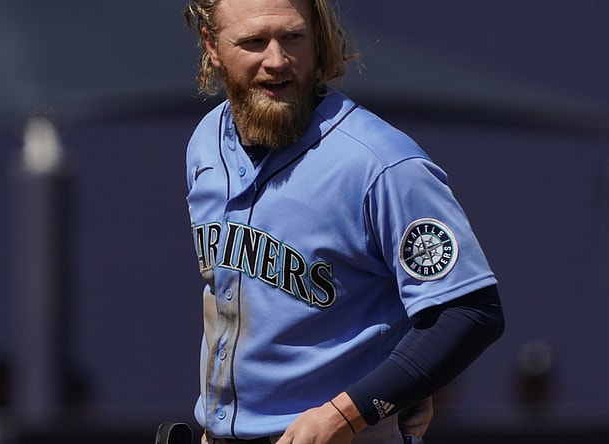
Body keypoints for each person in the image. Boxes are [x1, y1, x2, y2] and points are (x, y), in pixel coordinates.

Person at [182, 1, 505, 443]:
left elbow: (469, 311)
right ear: (212, 46)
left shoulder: (380, 163)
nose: (276, 61)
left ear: (318, 37)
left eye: (292, 37)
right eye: (254, 42)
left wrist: (351, 411)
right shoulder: (206, 142)